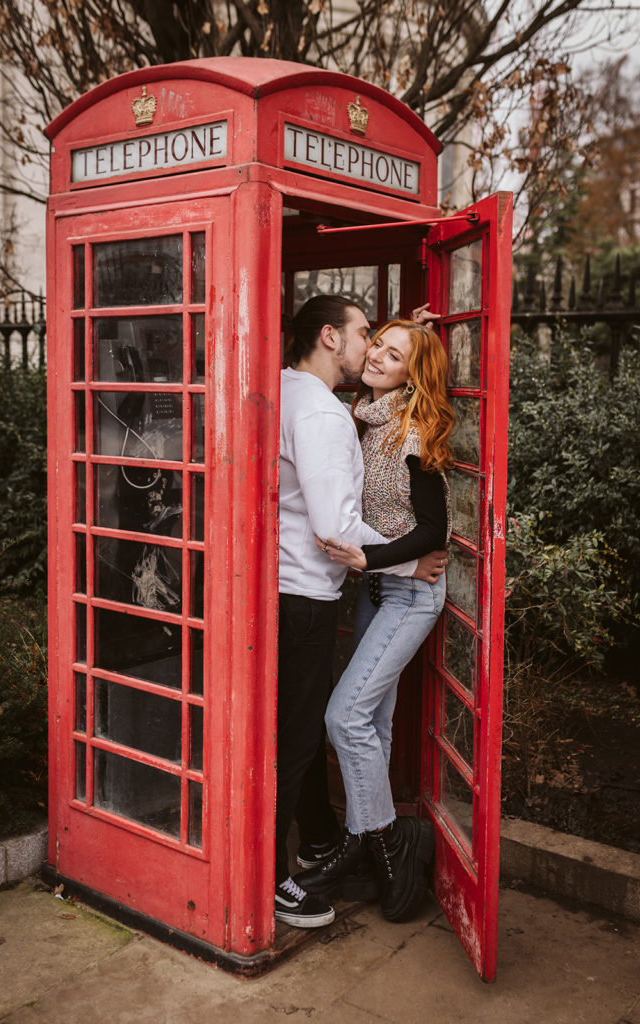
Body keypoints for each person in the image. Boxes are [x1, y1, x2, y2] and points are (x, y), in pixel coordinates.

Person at [275, 297, 448, 929]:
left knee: (343, 718)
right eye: (368, 339)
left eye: (388, 349)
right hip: (364, 588)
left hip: (395, 589)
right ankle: (363, 843)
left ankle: (373, 842)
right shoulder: (352, 413)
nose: (373, 350)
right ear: (334, 339)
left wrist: (404, 565)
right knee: (359, 726)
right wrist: (410, 338)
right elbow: (337, 523)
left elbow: (434, 528)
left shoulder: (396, 425)